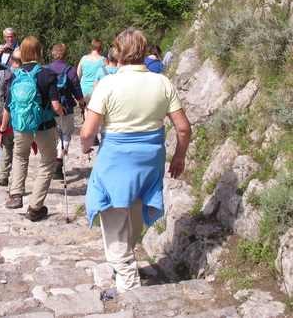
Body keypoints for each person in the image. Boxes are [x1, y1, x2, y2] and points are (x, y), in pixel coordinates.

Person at [80, 27, 191, 301]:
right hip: (149, 158)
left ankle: (128, 286)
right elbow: (184, 129)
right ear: (144, 51)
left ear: (117, 51)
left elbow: (87, 133)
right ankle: (123, 270)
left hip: (116, 159)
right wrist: (179, 156)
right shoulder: (162, 83)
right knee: (135, 209)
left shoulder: (108, 83)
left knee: (113, 214)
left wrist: (85, 146)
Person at [0, 36, 65, 221]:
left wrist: (4, 127)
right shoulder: (48, 74)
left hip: (21, 127)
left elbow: (8, 106)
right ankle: (35, 207)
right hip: (43, 127)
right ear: (39, 52)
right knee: (47, 162)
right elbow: (56, 106)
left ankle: (16, 195)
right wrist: (62, 111)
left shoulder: (16, 75)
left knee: (20, 157)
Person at [46, 43, 86, 180]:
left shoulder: (45, 69)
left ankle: (50, 163)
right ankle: (58, 163)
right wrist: (82, 104)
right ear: (65, 55)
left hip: (49, 108)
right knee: (66, 135)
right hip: (66, 108)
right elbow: (77, 90)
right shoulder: (70, 70)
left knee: (53, 136)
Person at [0, 49, 22, 187]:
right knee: (20, 150)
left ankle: (2, 176)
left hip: (2, 118)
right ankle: (17, 180)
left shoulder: (1, 74)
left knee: (6, 147)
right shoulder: (27, 75)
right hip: (20, 118)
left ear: (11, 60)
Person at [77, 39, 105, 107]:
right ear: (101, 48)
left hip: (83, 90)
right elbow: (106, 76)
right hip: (96, 91)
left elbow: (77, 75)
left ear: (91, 47)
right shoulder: (103, 60)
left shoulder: (83, 58)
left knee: (85, 112)